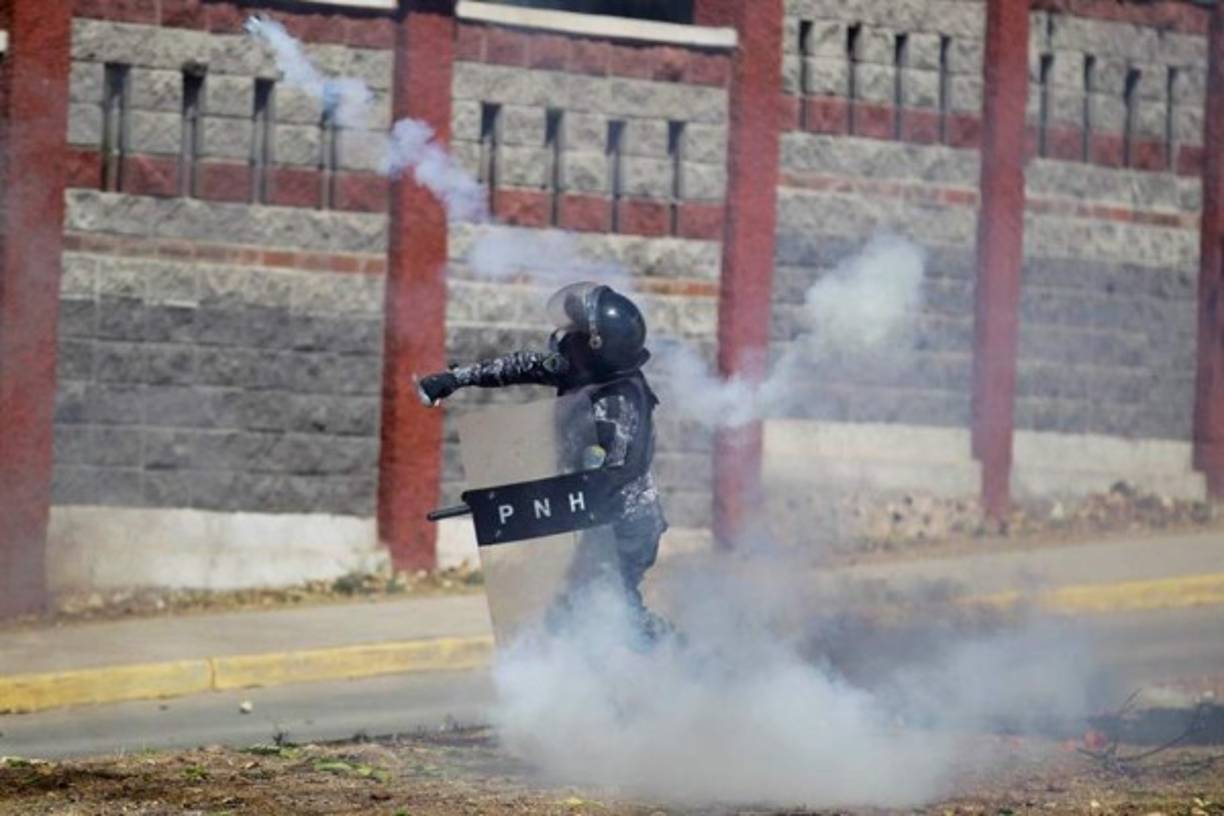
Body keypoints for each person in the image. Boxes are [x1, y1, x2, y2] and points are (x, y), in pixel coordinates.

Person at [417, 282, 669, 638]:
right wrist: (455, 378)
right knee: (576, 617)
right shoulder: (587, 370)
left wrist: (505, 505)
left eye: (577, 334)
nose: (567, 340)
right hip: (597, 520)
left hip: (624, 527)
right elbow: (525, 365)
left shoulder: (617, 406)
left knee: (611, 616)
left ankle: (685, 658)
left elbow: (598, 484)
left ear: (596, 347)